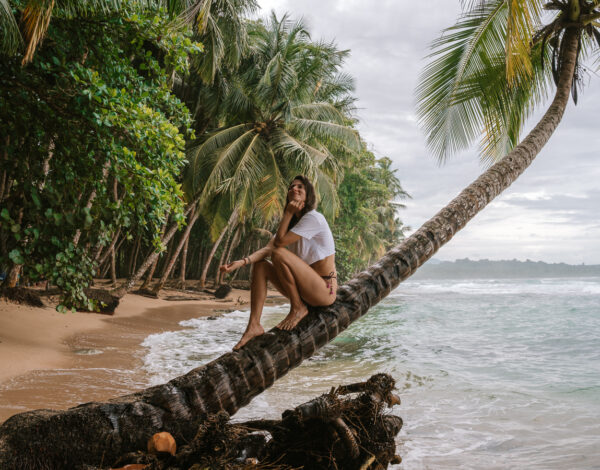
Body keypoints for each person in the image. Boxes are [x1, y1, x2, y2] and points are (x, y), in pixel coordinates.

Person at [219, 175, 337, 350]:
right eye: (291, 187)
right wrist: (242, 262)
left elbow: (278, 245)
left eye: (300, 187)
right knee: (261, 266)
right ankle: (254, 326)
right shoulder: (292, 225)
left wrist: (288, 213)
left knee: (279, 253)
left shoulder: (314, 218)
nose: (294, 189)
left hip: (324, 290)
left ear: (308, 195)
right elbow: (268, 248)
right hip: (305, 290)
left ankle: (297, 308)